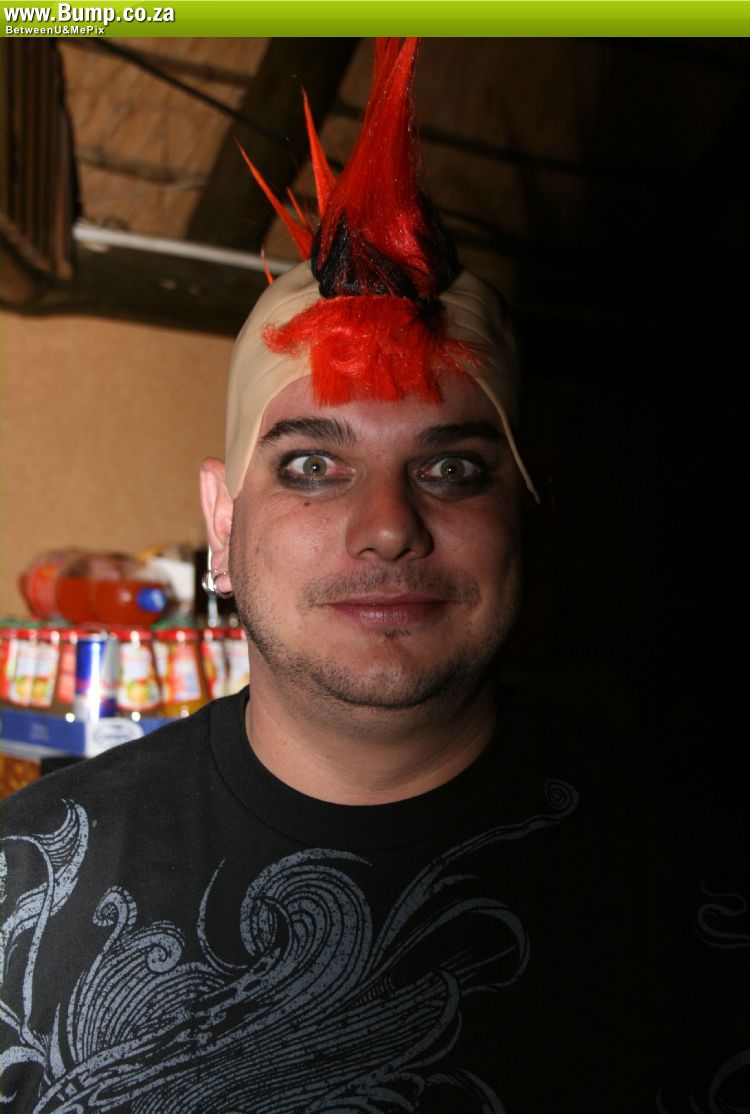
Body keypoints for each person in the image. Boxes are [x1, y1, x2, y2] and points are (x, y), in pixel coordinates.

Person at [1, 40, 746, 1113]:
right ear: (223, 520)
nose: (390, 527)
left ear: (527, 509)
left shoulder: (704, 884)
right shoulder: (27, 880)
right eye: (313, 465)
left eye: (452, 467)